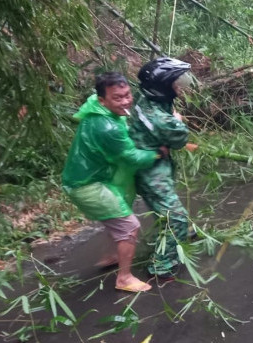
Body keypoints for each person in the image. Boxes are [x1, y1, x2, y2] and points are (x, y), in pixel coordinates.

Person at [62, 72, 164, 293]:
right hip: (85, 184)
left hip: (90, 177)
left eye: (127, 94)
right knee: (129, 225)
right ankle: (124, 278)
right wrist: (158, 153)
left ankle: (111, 256)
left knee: (117, 215)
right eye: (117, 98)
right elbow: (132, 158)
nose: (126, 101)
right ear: (102, 100)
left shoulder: (96, 107)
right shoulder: (107, 127)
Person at [129, 58, 193, 281]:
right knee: (175, 217)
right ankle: (162, 265)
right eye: (175, 83)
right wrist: (178, 120)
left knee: (168, 210)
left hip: (149, 164)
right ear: (163, 87)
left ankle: (176, 238)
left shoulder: (142, 98)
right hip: (151, 171)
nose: (180, 87)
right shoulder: (163, 121)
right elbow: (180, 138)